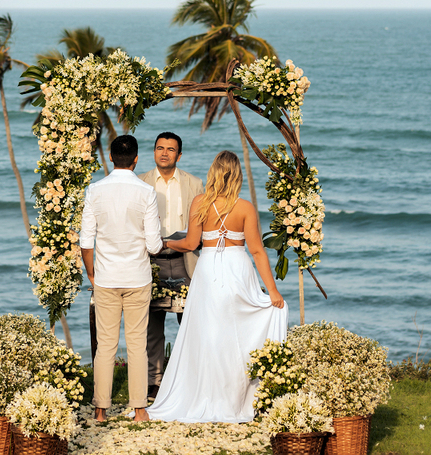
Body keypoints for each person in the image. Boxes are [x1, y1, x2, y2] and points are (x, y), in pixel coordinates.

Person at [147, 150, 288, 423]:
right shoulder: (245, 207)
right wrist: (272, 291)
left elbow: (189, 244)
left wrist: (165, 243)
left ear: (213, 172)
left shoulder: (200, 202)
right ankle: (237, 397)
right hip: (237, 268)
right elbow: (258, 252)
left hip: (209, 269)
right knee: (237, 333)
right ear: (237, 175)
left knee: (210, 334)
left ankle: (207, 394)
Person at [80, 135, 163, 422]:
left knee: (106, 344)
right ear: (136, 159)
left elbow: (86, 241)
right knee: (137, 343)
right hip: (137, 278)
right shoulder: (146, 192)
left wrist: (92, 273)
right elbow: (153, 245)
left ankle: (100, 410)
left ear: (112, 158)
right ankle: (140, 409)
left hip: (105, 278)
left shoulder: (94, 190)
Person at [139, 132, 204, 400]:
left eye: (170, 149)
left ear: (179, 155)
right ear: (153, 152)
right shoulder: (141, 182)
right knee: (152, 324)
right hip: (150, 259)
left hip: (185, 259)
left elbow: (200, 225)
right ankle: (154, 382)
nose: (164, 153)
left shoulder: (195, 183)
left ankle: (190, 378)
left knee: (189, 321)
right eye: (159, 148)